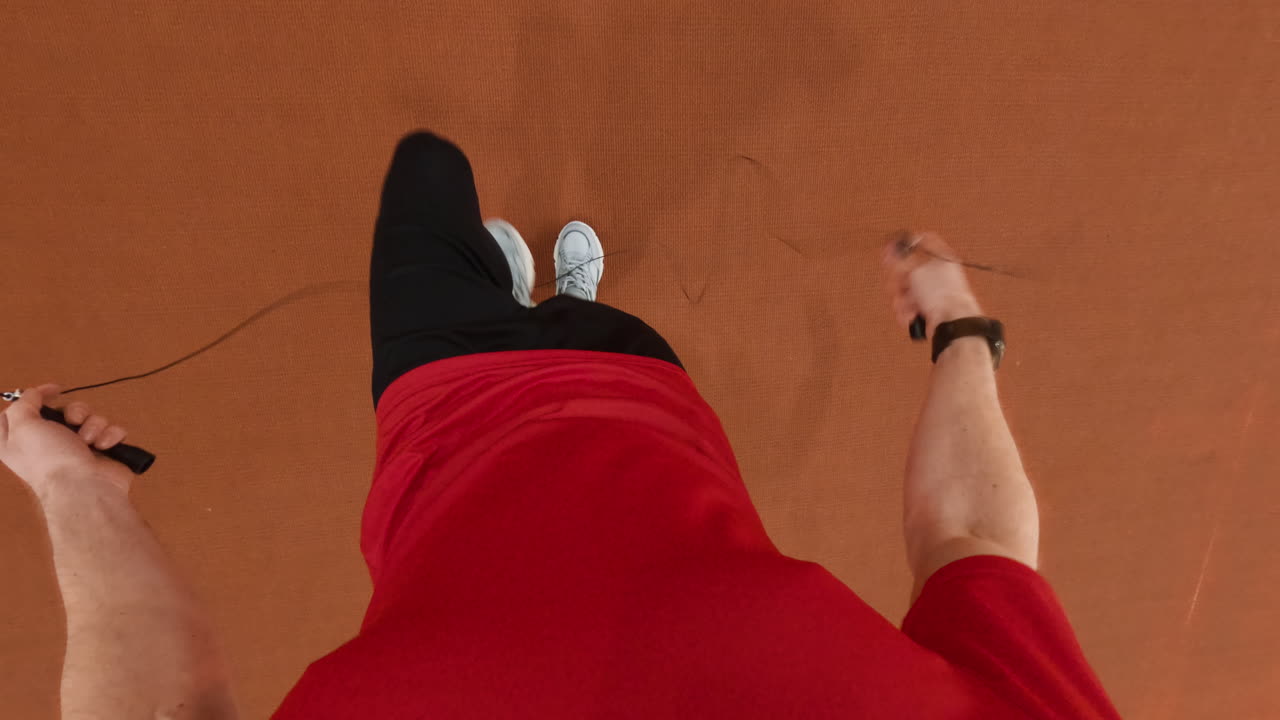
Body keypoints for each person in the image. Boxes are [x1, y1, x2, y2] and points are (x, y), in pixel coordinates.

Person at [0, 131, 1122, 719]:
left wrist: (75, 492)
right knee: (587, 307)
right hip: (648, 405)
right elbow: (974, 552)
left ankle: (499, 276)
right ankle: (553, 297)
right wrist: (961, 327)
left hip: (444, 412)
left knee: (425, 171)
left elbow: (170, 706)